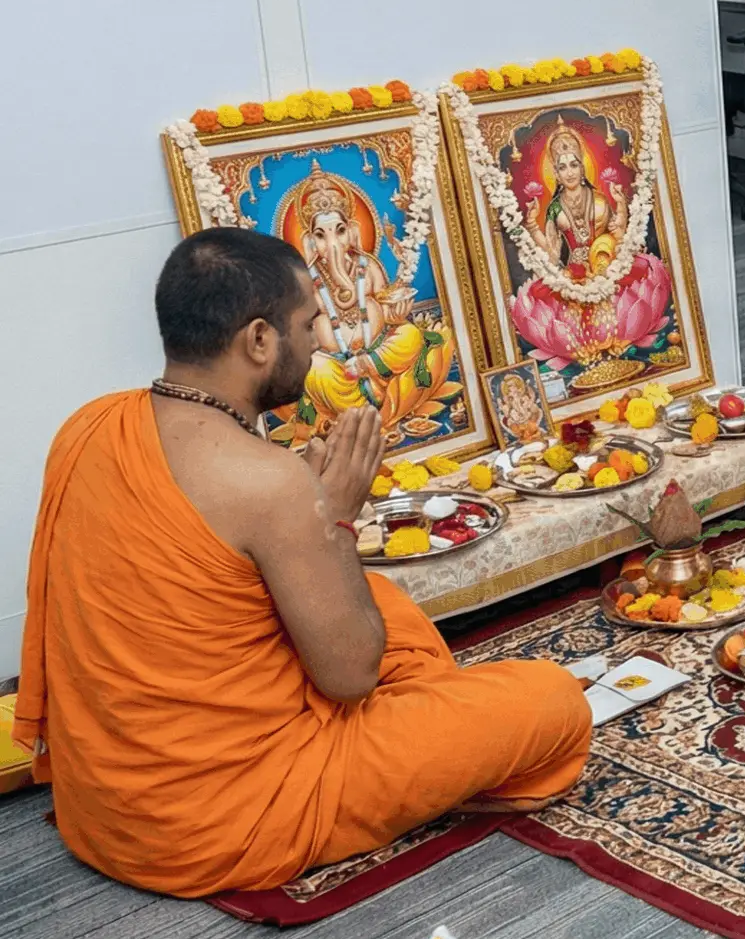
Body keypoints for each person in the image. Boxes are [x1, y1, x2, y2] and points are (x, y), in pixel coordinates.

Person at [17, 229, 591, 898]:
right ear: (259, 341)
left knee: (388, 605)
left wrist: (314, 531)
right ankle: (422, 752)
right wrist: (335, 519)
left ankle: (423, 726)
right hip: (228, 820)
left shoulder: (88, 426)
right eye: (309, 321)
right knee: (551, 701)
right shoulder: (267, 482)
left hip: (104, 808)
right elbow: (348, 679)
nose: (323, 339)